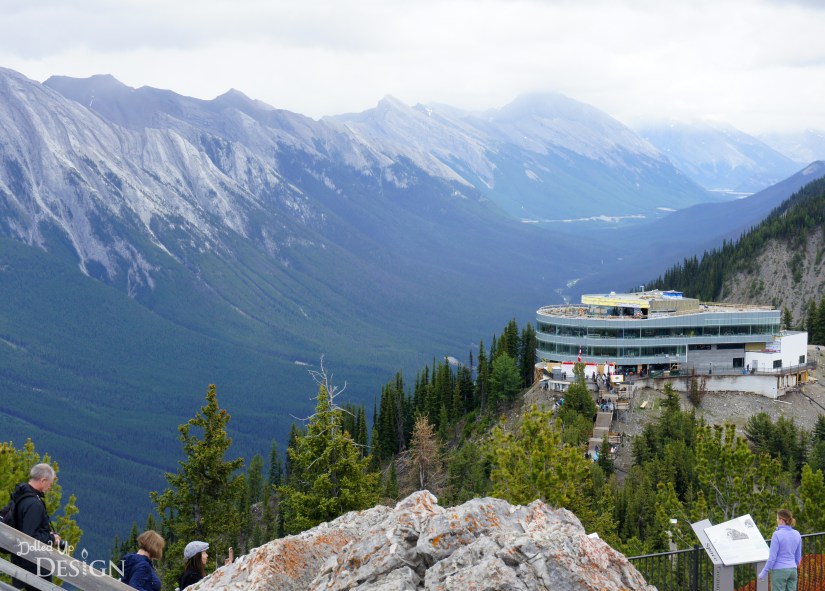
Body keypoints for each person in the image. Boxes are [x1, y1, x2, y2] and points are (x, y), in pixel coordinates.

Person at [10, 463, 62, 591]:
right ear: (43, 480)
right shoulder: (34, 504)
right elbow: (30, 538)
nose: (50, 487)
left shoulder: (21, 496)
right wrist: (52, 538)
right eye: (50, 483)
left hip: (20, 560)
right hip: (34, 565)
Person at [759, 509, 802, 591]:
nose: (776, 520)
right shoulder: (797, 533)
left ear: (781, 520)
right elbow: (798, 556)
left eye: (777, 518)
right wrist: (792, 565)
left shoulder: (777, 534)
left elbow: (772, 558)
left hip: (779, 571)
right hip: (793, 570)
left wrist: (763, 573)